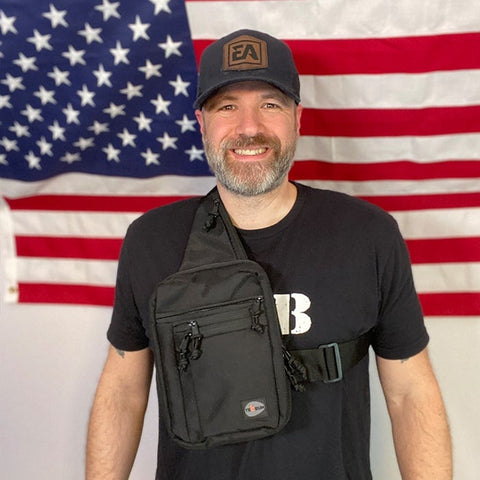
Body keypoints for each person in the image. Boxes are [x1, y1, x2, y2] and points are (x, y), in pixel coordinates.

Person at [86, 29, 452, 479]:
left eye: (270, 104)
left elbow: (410, 393)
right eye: (227, 106)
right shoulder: (152, 240)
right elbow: (123, 391)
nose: (249, 127)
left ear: (298, 118)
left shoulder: (367, 235)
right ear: (202, 122)